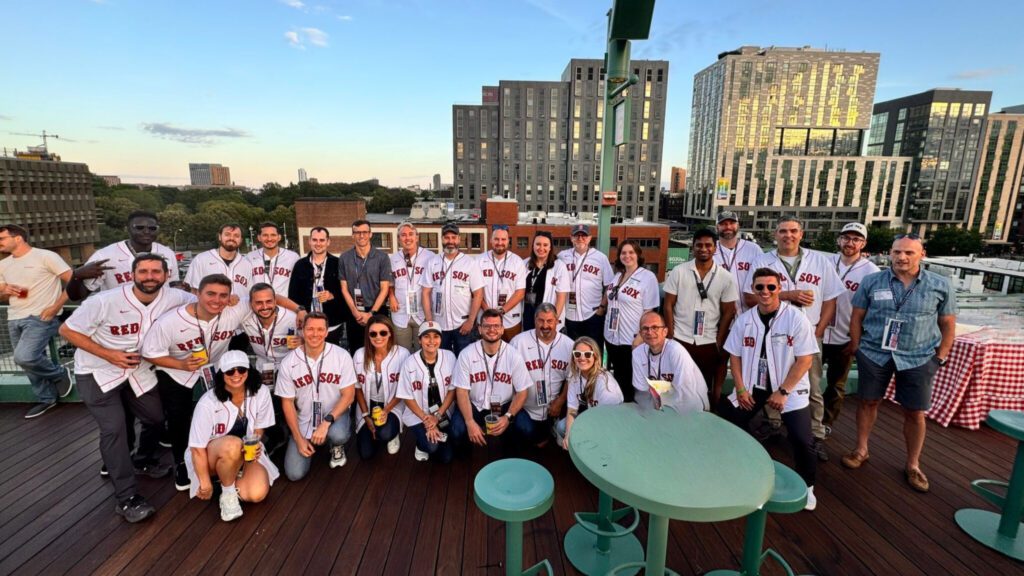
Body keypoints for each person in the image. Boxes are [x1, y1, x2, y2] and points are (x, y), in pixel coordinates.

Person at [59, 253, 194, 523]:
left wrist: (234, 299)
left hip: (138, 370)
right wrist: (108, 354)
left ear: (167, 275)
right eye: (143, 272)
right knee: (115, 430)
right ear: (132, 274)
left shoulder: (175, 297)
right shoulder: (104, 301)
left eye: (156, 272)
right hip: (98, 371)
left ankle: (143, 458)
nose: (149, 277)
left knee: (156, 417)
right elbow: (67, 330)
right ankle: (126, 497)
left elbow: (204, 300)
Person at [842, 234, 956, 493]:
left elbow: (947, 323)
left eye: (909, 253)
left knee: (915, 412)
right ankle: (861, 450)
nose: (901, 258)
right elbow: (857, 317)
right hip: (874, 354)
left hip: (918, 356)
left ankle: (913, 464)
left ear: (922, 254)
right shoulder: (872, 281)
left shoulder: (940, 285)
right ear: (890, 253)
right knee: (868, 401)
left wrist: (941, 356)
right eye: (896, 252)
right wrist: (858, 347)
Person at [141, 273, 252, 492]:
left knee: (218, 415)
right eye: (210, 294)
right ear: (197, 294)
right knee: (179, 421)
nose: (216, 300)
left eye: (223, 295)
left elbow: (267, 297)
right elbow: (149, 353)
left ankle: (218, 459)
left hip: (212, 372)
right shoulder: (170, 321)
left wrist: (299, 311)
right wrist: (180, 365)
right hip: (177, 373)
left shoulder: (232, 310)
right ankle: (182, 463)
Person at [721, 267, 819, 511]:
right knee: (730, 421)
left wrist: (783, 392)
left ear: (779, 288)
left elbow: (805, 360)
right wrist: (741, 390)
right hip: (754, 384)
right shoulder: (745, 319)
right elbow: (734, 356)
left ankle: (808, 486)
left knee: (801, 438)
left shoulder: (796, 318)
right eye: (760, 287)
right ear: (753, 289)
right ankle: (750, 465)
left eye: (771, 287)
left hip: (788, 387)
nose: (765, 292)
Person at [747, 216, 842, 461]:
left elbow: (831, 299)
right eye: (782, 231)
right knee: (769, 379)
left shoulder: (820, 260)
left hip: (808, 333)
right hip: (773, 331)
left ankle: (816, 433)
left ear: (801, 234)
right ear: (775, 234)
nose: (787, 235)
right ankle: (773, 422)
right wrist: (789, 294)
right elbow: (750, 297)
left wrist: (819, 330)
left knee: (811, 384)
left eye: (793, 231)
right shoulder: (762, 259)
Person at [186, 351, 279, 522]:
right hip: (209, 458)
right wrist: (205, 482)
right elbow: (197, 448)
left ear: (248, 371)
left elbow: (259, 429)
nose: (236, 375)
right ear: (222, 374)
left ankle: (230, 476)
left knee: (256, 494)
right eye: (230, 371)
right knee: (233, 444)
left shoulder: (261, 392)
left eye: (241, 370)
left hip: (245, 455)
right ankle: (228, 493)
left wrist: (256, 443)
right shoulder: (208, 402)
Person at [0, 224, 73, 418]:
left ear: (18, 238)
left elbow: (74, 281)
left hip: (41, 317)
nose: (0, 243)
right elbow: (2, 293)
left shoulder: (46, 256)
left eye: (2, 239)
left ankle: (58, 374)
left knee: (24, 357)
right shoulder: (3, 264)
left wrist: (56, 307)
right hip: (14, 316)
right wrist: (3, 291)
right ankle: (46, 399)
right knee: (27, 362)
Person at [275, 312, 358, 479]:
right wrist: (298, 438)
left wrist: (326, 423)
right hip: (304, 419)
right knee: (294, 474)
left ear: (327, 332)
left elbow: (349, 395)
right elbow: (287, 403)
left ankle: (336, 445)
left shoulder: (341, 355)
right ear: (302, 331)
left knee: (338, 434)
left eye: (320, 329)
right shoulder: (288, 362)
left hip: (333, 415)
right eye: (310, 329)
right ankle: (304, 438)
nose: (315, 334)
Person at [662, 228, 738, 409]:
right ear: (693, 247)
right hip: (681, 337)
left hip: (708, 340)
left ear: (715, 248)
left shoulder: (725, 277)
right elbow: (668, 305)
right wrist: (671, 335)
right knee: (676, 383)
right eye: (699, 245)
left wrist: (719, 339)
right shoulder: (679, 272)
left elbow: (729, 311)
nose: (703, 249)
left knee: (703, 385)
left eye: (708, 245)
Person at [821, 223, 879, 433]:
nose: (850, 243)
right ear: (839, 240)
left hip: (844, 336)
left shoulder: (871, 271)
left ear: (863, 243)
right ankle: (806, 420)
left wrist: (857, 339)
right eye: (846, 238)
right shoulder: (826, 262)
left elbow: (872, 309)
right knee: (806, 382)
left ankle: (826, 423)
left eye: (856, 239)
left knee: (836, 385)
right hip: (817, 333)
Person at [450, 309, 532, 453]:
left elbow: (522, 391)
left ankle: (511, 449)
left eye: (496, 326)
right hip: (475, 405)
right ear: (480, 329)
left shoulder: (514, 355)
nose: (492, 329)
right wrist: (470, 422)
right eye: (487, 326)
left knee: (526, 428)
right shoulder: (466, 354)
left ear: (502, 329)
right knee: (457, 430)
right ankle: (465, 455)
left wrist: (508, 417)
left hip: (503, 406)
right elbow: (461, 392)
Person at [240, 283, 301, 454]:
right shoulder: (245, 318)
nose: (265, 306)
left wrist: (302, 342)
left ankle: (294, 434)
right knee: (256, 398)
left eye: (269, 301)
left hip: (288, 364)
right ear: (251, 304)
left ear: (276, 301)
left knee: (288, 399)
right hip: (262, 365)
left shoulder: (292, 318)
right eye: (259, 303)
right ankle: (276, 436)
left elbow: (315, 340)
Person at [65, 210, 180, 300]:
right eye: (140, 227)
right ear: (127, 229)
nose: (146, 231)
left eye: (152, 228)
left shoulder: (167, 253)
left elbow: (173, 288)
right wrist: (77, 276)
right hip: (120, 319)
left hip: (159, 317)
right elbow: (76, 296)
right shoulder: (104, 256)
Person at [603, 239, 660, 402]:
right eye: (623, 253)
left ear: (638, 255)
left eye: (631, 252)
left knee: (632, 380)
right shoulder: (618, 275)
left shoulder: (647, 277)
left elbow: (650, 310)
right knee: (619, 377)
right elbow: (611, 297)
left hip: (632, 339)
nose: (627, 256)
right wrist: (601, 307)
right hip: (611, 336)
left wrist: (641, 336)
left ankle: (632, 414)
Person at [510, 304, 573, 447]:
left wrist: (561, 401)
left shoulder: (569, 345)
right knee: (524, 431)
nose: (545, 325)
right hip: (525, 407)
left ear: (557, 321)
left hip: (553, 408)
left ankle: (548, 431)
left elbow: (572, 378)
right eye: (541, 320)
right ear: (534, 320)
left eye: (550, 321)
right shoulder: (518, 342)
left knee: (560, 433)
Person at [396, 321, 457, 463]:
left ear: (441, 339)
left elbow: (452, 391)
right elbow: (407, 397)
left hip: (443, 412)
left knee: (447, 457)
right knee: (432, 447)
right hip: (419, 413)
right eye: (426, 336)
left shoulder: (450, 357)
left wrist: (438, 416)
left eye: (436, 336)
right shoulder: (409, 363)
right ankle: (421, 445)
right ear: (419, 339)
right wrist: (427, 420)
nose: (431, 341)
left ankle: (432, 436)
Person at [353, 315, 411, 460]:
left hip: (392, 404)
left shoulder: (402, 354)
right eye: (373, 333)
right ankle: (376, 429)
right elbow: (357, 388)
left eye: (383, 333)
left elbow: (403, 389)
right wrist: (366, 415)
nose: (378, 337)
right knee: (366, 454)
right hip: (368, 404)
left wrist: (386, 410)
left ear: (390, 333)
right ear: (368, 335)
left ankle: (393, 433)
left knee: (384, 434)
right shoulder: (359, 355)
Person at [421, 223, 484, 355]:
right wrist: (430, 321)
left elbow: (478, 294)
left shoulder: (470, 263)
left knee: (464, 360)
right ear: (442, 239)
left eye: (453, 237)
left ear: (459, 239)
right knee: (442, 360)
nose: (450, 241)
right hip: (439, 325)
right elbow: (426, 293)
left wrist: (471, 321)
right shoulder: (433, 262)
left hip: (463, 324)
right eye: (447, 238)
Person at [632, 311, 709, 413]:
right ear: (641, 333)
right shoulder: (637, 354)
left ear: (665, 331)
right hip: (659, 406)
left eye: (655, 327)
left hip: (692, 406)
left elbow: (686, 395)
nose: (650, 332)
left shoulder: (676, 351)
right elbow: (642, 394)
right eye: (645, 328)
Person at [556, 336, 623, 449]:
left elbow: (609, 421)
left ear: (595, 356)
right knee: (562, 427)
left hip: (610, 425)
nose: (582, 358)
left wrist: (584, 433)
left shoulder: (606, 385)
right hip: (592, 418)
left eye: (587, 354)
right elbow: (572, 410)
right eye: (577, 354)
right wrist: (568, 435)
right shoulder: (574, 377)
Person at [339, 219, 392, 354]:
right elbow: (344, 289)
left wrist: (371, 313)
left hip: (377, 311)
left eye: (364, 232)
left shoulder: (382, 257)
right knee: (356, 351)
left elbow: (384, 288)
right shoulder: (344, 258)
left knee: (379, 350)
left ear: (370, 234)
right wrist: (355, 312)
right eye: (357, 232)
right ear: (352, 235)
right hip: (354, 311)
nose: (361, 236)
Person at [558, 224, 613, 352]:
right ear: (571, 238)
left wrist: (602, 308)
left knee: (594, 352)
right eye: (577, 235)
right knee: (571, 351)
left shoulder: (600, 258)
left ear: (590, 238)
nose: (580, 238)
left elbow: (609, 285)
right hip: (569, 315)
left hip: (593, 314)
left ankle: (596, 373)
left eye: (584, 236)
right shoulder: (562, 256)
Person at [288, 226, 346, 346]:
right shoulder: (300, 265)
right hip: (307, 324)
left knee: (331, 359)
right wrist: (300, 311)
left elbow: (346, 292)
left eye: (322, 240)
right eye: (314, 240)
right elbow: (293, 294)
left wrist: (332, 295)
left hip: (332, 325)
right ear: (309, 241)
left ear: (328, 242)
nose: (318, 243)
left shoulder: (338, 263)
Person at [388, 222, 438, 351]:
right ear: (399, 239)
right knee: (402, 352)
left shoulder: (430, 257)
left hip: (423, 313)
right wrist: (391, 296)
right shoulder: (393, 259)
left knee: (422, 352)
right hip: (400, 313)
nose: (407, 238)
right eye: (403, 235)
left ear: (417, 237)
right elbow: (389, 282)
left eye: (411, 234)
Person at [478, 225, 527, 342]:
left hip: (511, 320)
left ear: (508, 241)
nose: (500, 242)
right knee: (487, 351)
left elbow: (520, 293)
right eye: (496, 239)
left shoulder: (517, 261)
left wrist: (502, 311)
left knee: (511, 352)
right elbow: (474, 291)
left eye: (503, 239)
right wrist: (487, 311)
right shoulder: (478, 260)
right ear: (490, 240)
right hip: (485, 319)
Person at [183, 223, 253, 299]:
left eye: (236, 236)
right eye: (227, 234)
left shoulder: (247, 264)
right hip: (209, 310)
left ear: (241, 240)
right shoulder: (201, 259)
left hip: (240, 310)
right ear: (220, 237)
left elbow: (250, 293)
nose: (231, 238)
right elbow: (193, 291)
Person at [713, 211, 762, 312]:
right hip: (719, 315)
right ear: (717, 227)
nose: (728, 227)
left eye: (732, 223)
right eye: (723, 224)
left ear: (738, 226)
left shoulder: (754, 249)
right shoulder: (710, 250)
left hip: (750, 313)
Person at [522, 232, 570, 332]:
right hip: (528, 312)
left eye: (545, 245)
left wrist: (554, 318)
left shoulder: (559, 266)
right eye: (538, 244)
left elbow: (561, 297)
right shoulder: (524, 264)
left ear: (550, 248)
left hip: (547, 316)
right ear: (533, 245)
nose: (541, 248)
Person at [245, 222, 300, 305]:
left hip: (285, 307)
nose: (269, 239)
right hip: (259, 306)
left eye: (273, 235)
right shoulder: (249, 258)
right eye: (265, 235)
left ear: (279, 237)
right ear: (259, 237)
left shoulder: (293, 257)